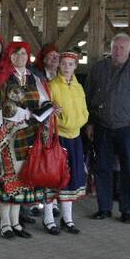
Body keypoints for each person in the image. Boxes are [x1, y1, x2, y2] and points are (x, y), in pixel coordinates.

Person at [84, 34, 130, 223]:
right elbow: (87, 97)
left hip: (127, 128)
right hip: (102, 126)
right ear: (111, 47)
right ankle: (104, 208)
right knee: (102, 168)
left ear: (129, 50)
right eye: (115, 47)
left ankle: (127, 210)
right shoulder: (99, 68)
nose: (118, 51)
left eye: (122, 48)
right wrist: (90, 122)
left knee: (129, 170)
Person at [0, 41, 53, 238]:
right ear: (9, 56)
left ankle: (16, 223)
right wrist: (22, 115)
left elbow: (44, 100)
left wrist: (49, 109)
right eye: (15, 54)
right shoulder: (1, 78)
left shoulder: (35, 78)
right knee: (7, 177)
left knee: (22, 179)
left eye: (23, 54)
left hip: (30, 134)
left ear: (29, 56)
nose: (20, 57)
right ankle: (5, 223)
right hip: (8, 136)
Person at [45, 50, 88, 234]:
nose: (67, 67)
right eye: (63, 64)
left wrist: (81, 121)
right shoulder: (52, 85)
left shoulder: (78, 87)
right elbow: (47, 111)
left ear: (75, 66)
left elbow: (84, 109)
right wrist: (60, 121)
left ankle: (67, 218)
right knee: (54, 176)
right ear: (59, 65)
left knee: (72, 176)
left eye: (71, 64)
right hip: (58, 136)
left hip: (75, 136)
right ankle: (48, 219)